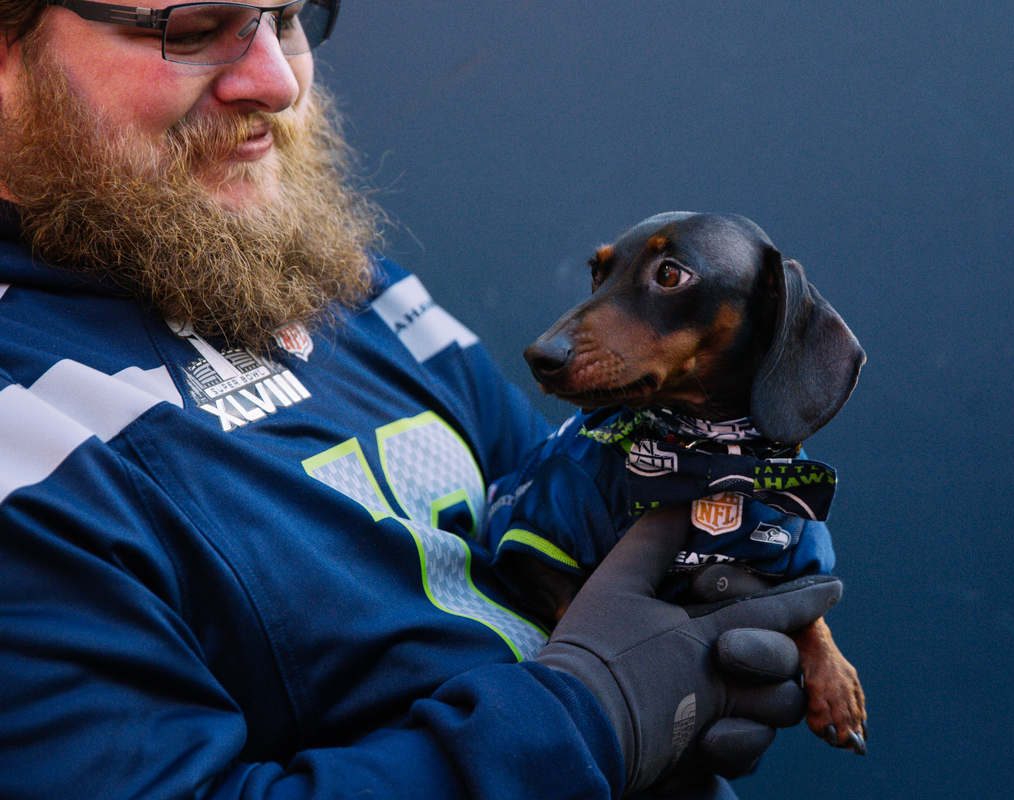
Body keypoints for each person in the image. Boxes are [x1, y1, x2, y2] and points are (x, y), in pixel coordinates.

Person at [0, 2, 842, 798]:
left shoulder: (345, 287)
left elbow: (578, 512)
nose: (277, 80)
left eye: (289, 18)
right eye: (195, 29)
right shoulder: (21, 428)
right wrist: (590, 719)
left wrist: (718, 624)